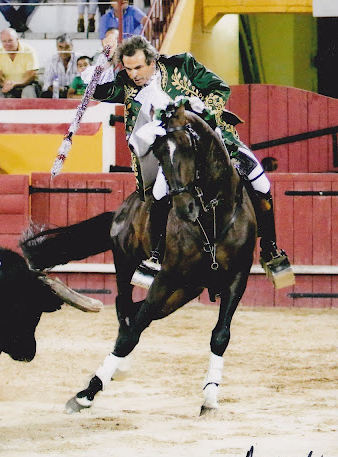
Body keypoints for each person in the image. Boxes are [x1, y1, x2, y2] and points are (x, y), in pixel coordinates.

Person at [91, 35, 290, 282]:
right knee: (160, 194)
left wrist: (202, 111)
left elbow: (219, 87)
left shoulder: (182, 65)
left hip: (212, 142)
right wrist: (106, 60)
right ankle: (155, 256)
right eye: (128, 69)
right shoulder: (126, 83)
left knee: (261, 182)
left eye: (138, 67)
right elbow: (96, 90)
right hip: (175, 152)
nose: (133, 74)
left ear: (152, 61)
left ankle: (270, 249)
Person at [0, 28, 38, 99]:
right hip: (7, 87)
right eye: (4, 41)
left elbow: (31, 76)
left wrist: (15, 84)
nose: (7, 44)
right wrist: (5, 85)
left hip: (26, 85)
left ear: (17, 39)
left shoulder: (28, 51)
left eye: (10, 41)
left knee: (28, 90)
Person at [41, 33, 76, 99]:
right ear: (57, 48)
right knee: (46, 94)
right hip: (58, 92)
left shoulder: (79, 59)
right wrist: (58, 89)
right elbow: (47, 84)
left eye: (67, 47)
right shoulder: (52, 61)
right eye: (60, 47)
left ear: (72, 47)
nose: (64, 51)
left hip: (75, 93)